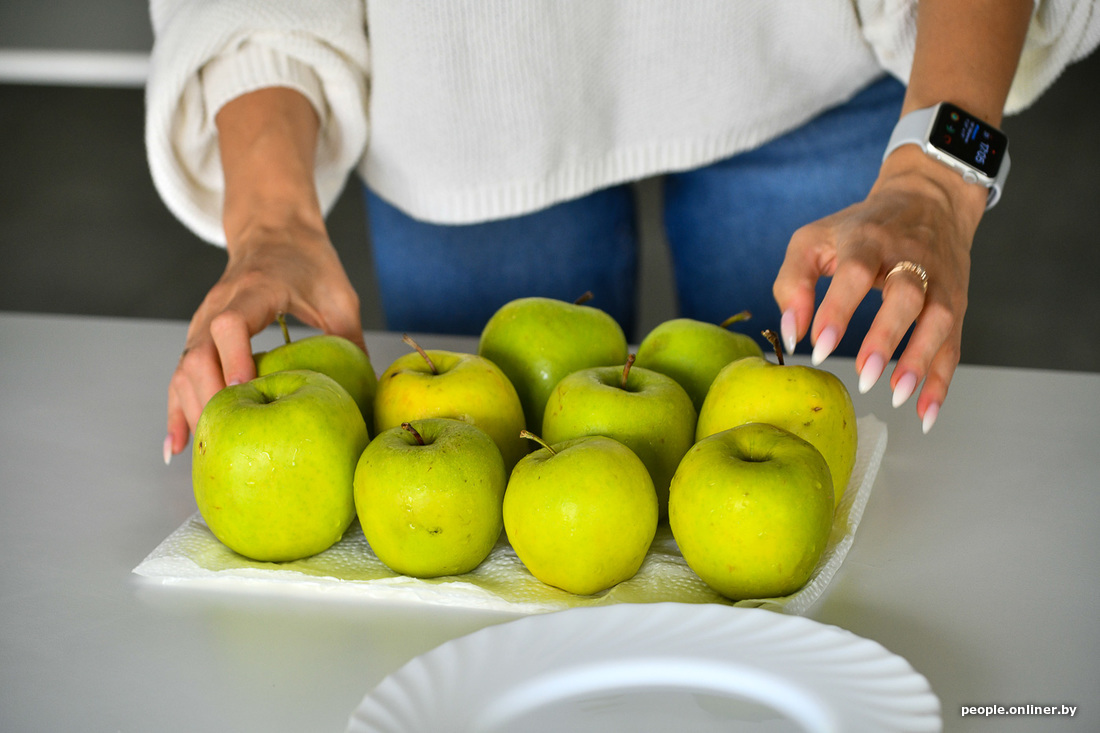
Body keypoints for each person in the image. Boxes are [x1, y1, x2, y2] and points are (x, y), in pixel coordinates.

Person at [147, 1, 1099, 464]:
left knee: (840, 561)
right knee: (480, 607)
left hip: (817, 48)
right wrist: (269, 216)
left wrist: (936, 171)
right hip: (461, 87)